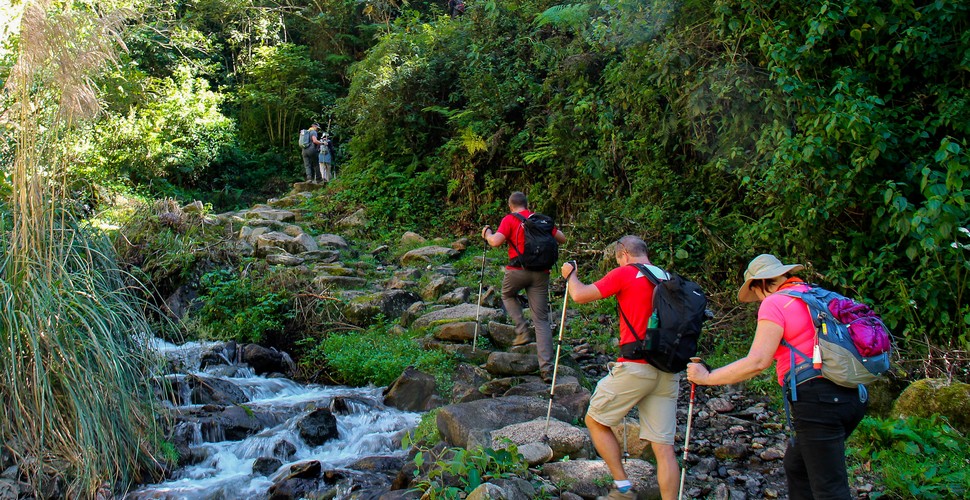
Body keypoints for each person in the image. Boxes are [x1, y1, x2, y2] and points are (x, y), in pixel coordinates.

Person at [686, 254, 868, 499]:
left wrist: (707, 377)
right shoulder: (815, 295)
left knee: (829, 489)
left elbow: (757, 362)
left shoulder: (774, 303)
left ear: (758, 284)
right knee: (797, 466)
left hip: (819, 402)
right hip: (853, 396)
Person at [559, 236, 680, 500]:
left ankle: (623, 488)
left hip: (635, 366)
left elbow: (580, 295)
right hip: (668, 369)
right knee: (664, 449)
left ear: (623, 254)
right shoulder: (669, 278)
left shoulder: (625, 274)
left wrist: (571, 276)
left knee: (595, 420)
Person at [481, 191, 566, 382]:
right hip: (541, 274)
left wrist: (487, 234)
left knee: (507, 294)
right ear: (527, 205)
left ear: (511, 206)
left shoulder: (509, 219)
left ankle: (521, 329)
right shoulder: (538, 220)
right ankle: (547, 370)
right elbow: (562, 238)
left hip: (517, 271)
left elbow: (495, 242)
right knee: (542, 320)